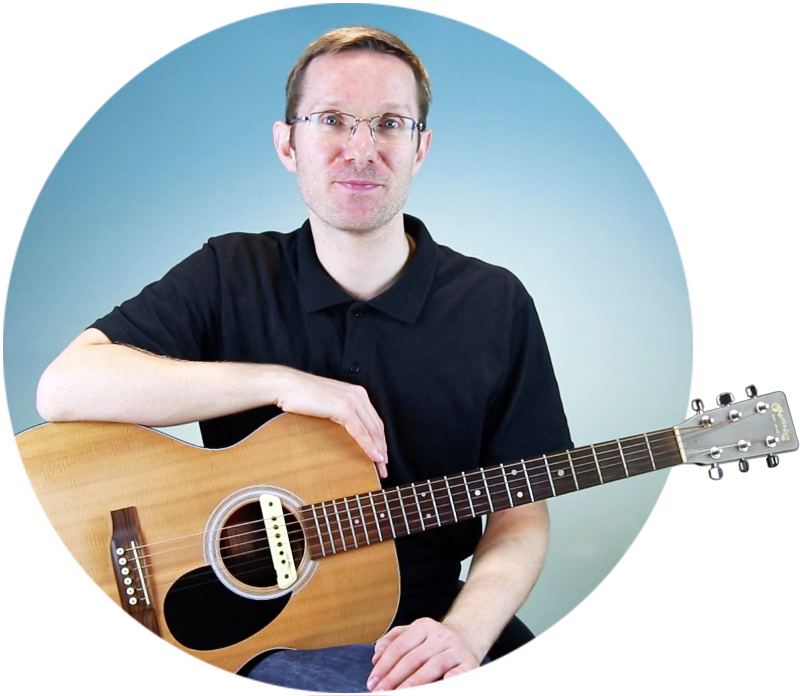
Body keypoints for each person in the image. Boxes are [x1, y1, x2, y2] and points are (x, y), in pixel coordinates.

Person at [35, 26, 572, 692]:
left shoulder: (496, 304)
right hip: (259, 637)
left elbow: (521, 511)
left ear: (420, 148)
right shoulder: (229, 272)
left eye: (390, 123)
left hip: (435, 621)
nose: (362, 147)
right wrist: (281, 384)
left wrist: (463, 633)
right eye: (333, 120)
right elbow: (64, 387)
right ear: (288, 143)